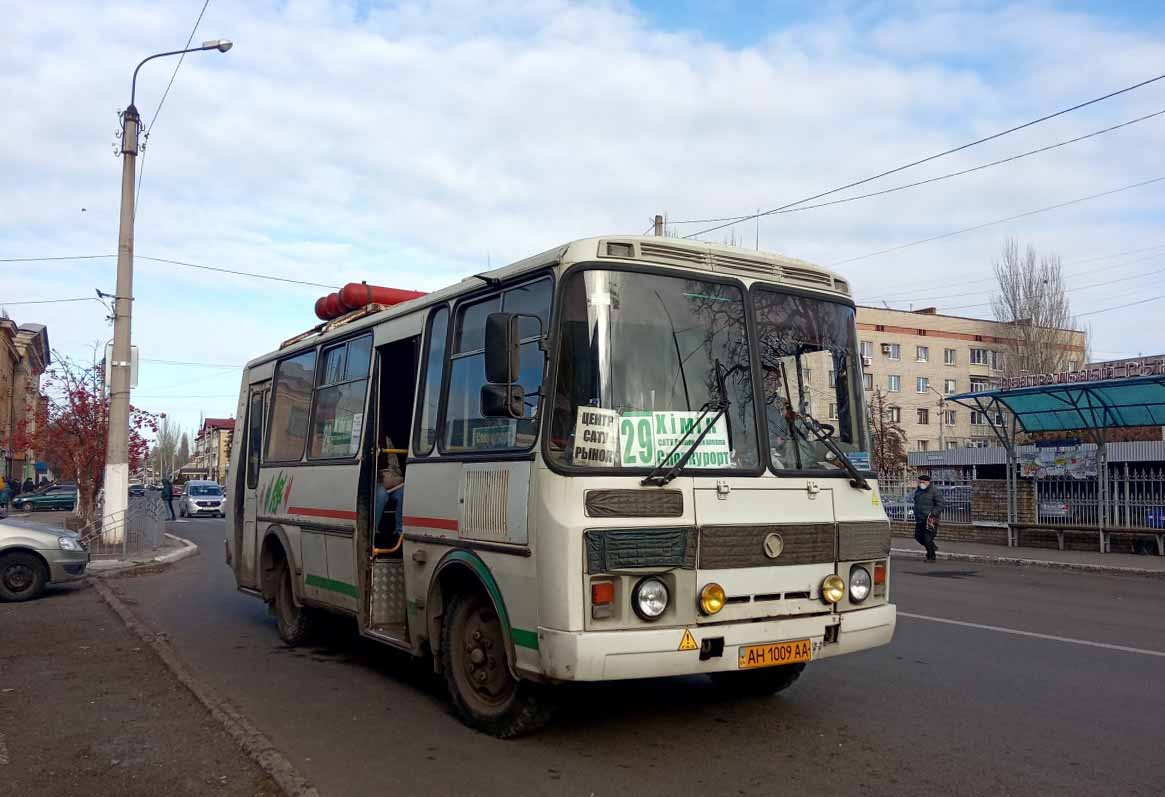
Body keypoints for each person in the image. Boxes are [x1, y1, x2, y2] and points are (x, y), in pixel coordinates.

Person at [373, 448, 405, 552]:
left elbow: (396, 468)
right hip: (375, 482)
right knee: (382, 495)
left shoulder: (390, 443)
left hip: (391, 481)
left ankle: (398, 533)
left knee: (402, 493)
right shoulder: (371, 440)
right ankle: (374, 532)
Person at [912, 474, 945, 561]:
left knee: (927, 538)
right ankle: (932, 546)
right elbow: (916, 503)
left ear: (928, 482)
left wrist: (933, 513)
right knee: (918, 537)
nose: (921, 484)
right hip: (920, 518)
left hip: (931, 519)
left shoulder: (935, 491)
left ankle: (931, 557)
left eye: (922, 482)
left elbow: (940, 505)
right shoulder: (918, 491)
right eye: (919, 482)